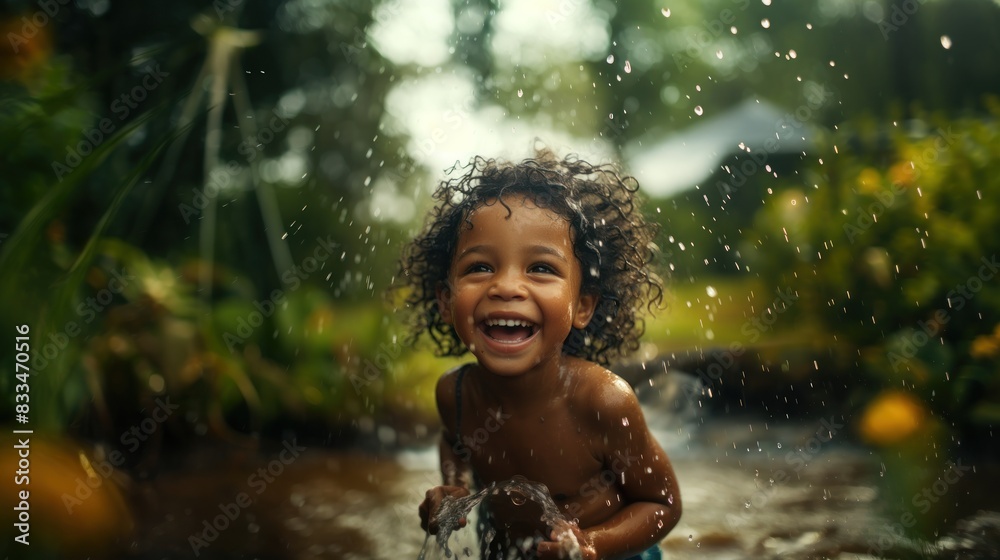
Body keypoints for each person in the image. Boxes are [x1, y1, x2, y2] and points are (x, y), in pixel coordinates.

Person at [397, 149, 682, 559]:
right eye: (479, 267)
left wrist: (592, 545)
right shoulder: (456, 395)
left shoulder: (601, 401)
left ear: (582, 305)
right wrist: (453, 486)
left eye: (541, 268)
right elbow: (454, 442)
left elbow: (663, 505)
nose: (506, 287)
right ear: (446, 300)